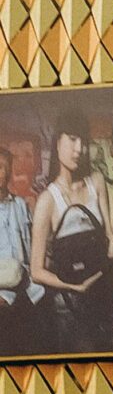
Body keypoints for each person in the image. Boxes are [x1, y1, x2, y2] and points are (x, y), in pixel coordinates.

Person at [30, 125, 113, 349]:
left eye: (82, 142)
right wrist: (74, 287)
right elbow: (35, 271)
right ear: (57, 142)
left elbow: (109, 247)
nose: (79, 149)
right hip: (69, 307)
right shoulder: (47, 200)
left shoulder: (96, 183)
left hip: (105, 298)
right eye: (72, 139)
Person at [0, 148, 42, 354]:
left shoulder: (20, 206)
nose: (0, 173)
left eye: (3, 168)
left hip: (28, 296)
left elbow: (33, 247)